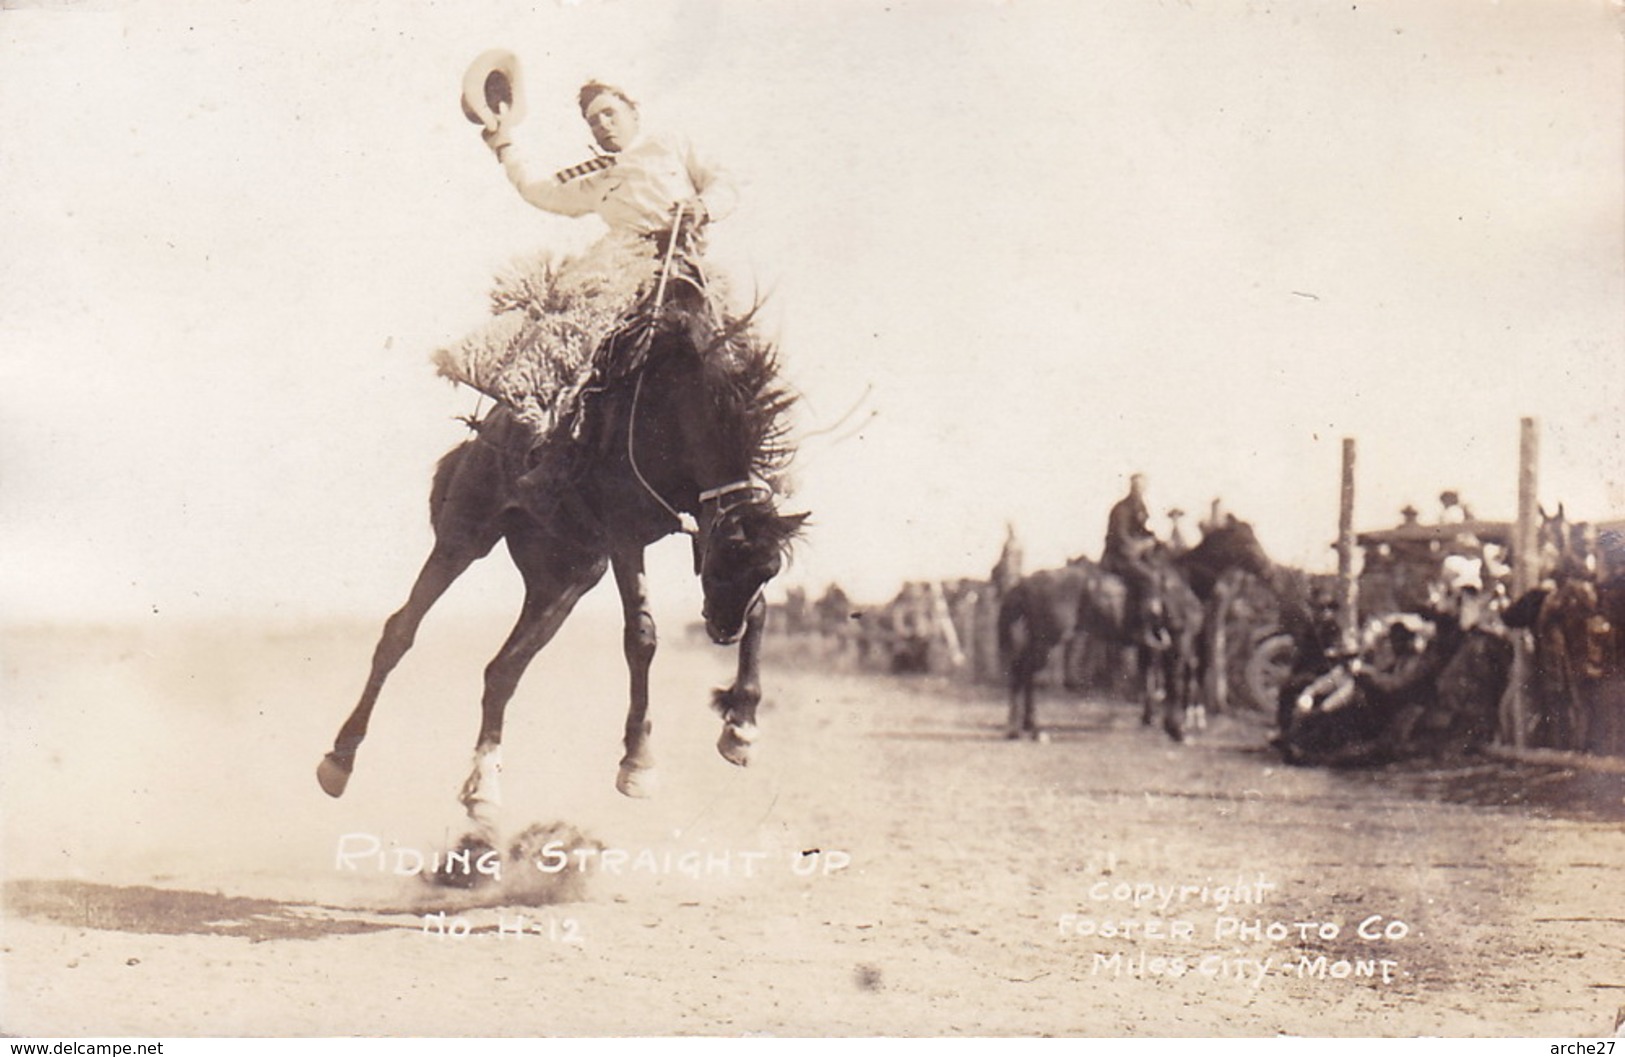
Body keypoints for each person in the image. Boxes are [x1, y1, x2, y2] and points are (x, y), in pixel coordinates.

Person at [440, 58, 740, 447]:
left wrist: (704, 207)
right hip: (626, 266)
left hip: (686, 264)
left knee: (735, 359)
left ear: (633, 112)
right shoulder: (597, 176)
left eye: (610, 113)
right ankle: (549, 430)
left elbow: (722, 182)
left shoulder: (670, 144)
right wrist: (505, 142)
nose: (603, 125)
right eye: (593, 121)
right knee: (572, 336)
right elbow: (540, 190)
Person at [1101, 474, 1161, 646]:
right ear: (1131, 487)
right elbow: (1120, 538)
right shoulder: (1121, 509)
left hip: (1133, 555)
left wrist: (1154, 541)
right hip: (1119, 558)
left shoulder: (1140, 508)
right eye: (1136, 487)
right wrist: (1141, 546)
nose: (1139, 490)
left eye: (1142, 487)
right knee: (1149, 578)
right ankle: (1144, 628)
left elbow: (1143, 531)